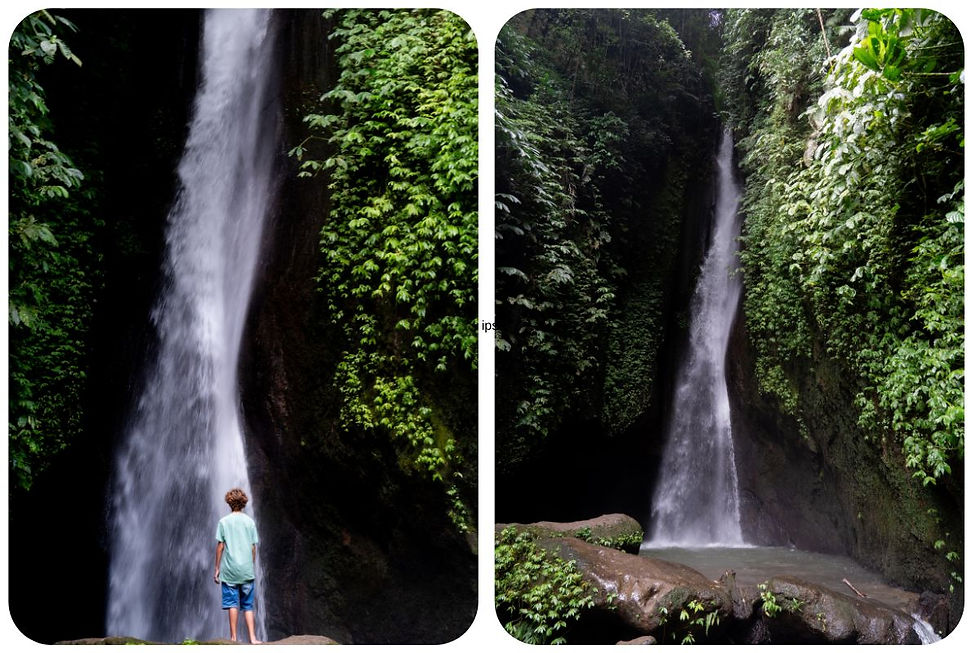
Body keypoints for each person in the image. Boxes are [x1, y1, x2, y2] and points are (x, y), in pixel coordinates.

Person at [213, 487, 261, 644]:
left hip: (229, 570)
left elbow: (220, 546)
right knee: (247, 606)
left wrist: (217, 568)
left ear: (229, 503)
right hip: (246, 570)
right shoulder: (250, 522)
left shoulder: (223, 522)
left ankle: (233, 638)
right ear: (244, 503)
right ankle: (253, 638)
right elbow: (254, 547)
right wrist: (251, 563)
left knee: (232, 604)